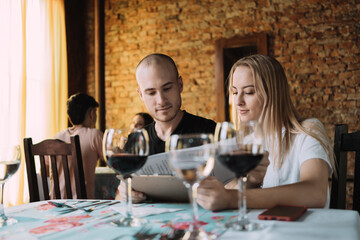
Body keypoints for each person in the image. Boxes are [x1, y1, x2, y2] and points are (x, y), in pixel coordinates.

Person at [197, 54, 335, 211]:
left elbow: (315, 193)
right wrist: (252, 181)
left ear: (273, 93)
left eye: (249, 92)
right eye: (235, 92)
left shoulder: (307, 130)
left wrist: (232, 198)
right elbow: (234, 188)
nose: (238, 101)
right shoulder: (247, 141)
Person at [117, 53, 217, 201]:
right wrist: (124, 194)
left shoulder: (208, 131)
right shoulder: (135, 140)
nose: (161, 100)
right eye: (151, 92)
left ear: (180, 85)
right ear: (141, 95)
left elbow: (233, 187)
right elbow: (119, 195)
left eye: (167, 88)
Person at [50, 93, 104, 199]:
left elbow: (46, 172)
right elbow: (114, 162)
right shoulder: (94, 135)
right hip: (82, 205)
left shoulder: (56, 137)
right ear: (92, 113)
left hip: (55, 205)